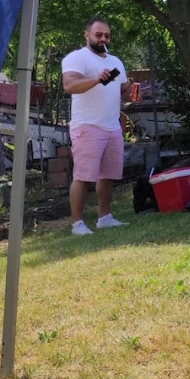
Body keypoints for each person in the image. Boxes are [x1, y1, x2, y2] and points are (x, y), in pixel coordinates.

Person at [61, 16, 131, 235]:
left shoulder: (116, 61)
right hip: (87, 125)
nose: (103, 39)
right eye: (98, 34)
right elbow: (69, 85)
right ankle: (77, 224)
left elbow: (124, 90)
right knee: (83, 177)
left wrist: (132, 91)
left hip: (112, 126)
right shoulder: (77, 58)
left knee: (108, 175)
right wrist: (96, 80)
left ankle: (105, 217)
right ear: (87, 35)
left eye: (107, 35)